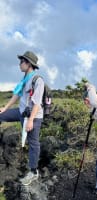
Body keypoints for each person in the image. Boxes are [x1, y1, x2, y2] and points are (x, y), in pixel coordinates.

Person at [0, 51, 44, 186]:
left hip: (33, 117)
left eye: (22, 62)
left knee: (33, 143)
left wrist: (30, 120)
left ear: (28, 64)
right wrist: (5, 108)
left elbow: (37, 103)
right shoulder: (25, 79)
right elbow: (16, 95)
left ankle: (33, 171)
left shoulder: (38, 80)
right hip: (21, 112)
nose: (19, 64)